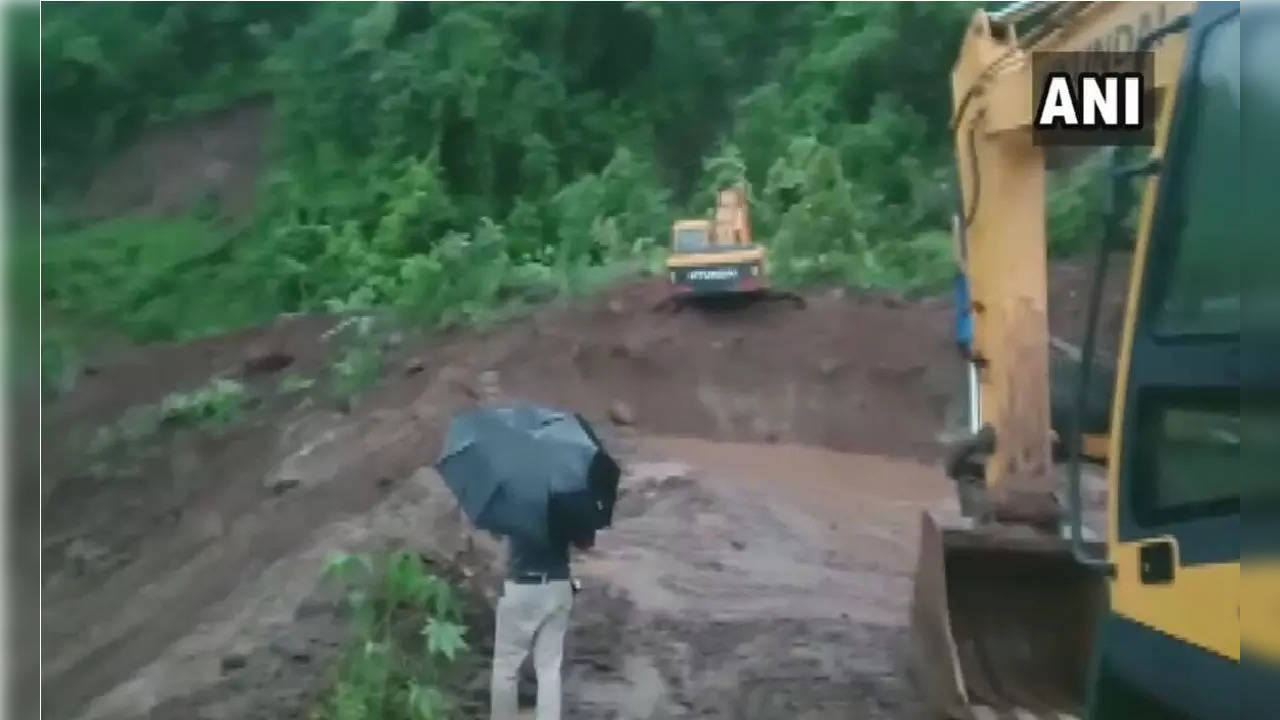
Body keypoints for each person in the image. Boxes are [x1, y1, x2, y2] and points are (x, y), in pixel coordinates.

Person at [490, 526, 594, 720]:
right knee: (549, 668)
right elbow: (585, 542)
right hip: (557, 585)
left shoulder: (513, 498)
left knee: (506, 667)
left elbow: (496, 531)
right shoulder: (567, 500)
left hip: (519, 585)